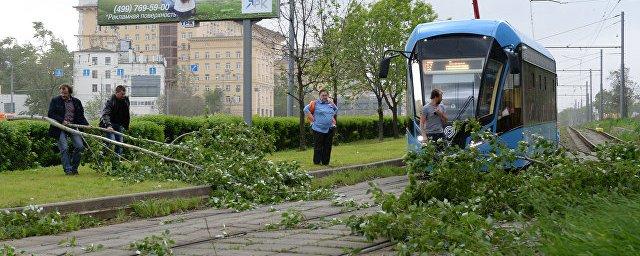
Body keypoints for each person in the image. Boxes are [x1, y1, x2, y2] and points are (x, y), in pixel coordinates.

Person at [47, 84, 89, 175]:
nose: (63, 94)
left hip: (72, 126)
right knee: (64, 148)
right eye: (62, 92)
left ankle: (74, 168)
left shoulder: (77, 102)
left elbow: (81, 116)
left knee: (80, 146)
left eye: (65, 93)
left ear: (69, 92)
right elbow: (50, 114)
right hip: (59, 127)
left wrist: (87, 125)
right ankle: (68, 170)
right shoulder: (55, 101)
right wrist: (62, 120)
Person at [304, 89, 338, 165]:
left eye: (326, 95)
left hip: (329, 128)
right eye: (323, 95)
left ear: (328, 96)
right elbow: (305, 109)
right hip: (318, 128)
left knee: (327, 146)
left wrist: (332, 105)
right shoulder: (315, 103)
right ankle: (317, 162)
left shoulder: (329, 104)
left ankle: (325, 162)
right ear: (319, 96)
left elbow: (336, 109)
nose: (324, 97)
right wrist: (311, 118)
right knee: (318, 146)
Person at [99, 85, 131, 155]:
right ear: (117, 93)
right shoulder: (110, 102)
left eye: (124, 94)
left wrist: (126, 125)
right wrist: (108, 125)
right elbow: (105, 114)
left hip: (119, 124)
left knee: (119, 144)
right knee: (110, 141)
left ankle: (117, 163)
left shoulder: (125, 100)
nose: (123, 95)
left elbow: (126, 114)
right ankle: (102, 156)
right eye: (122, 94)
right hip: (109, 124)